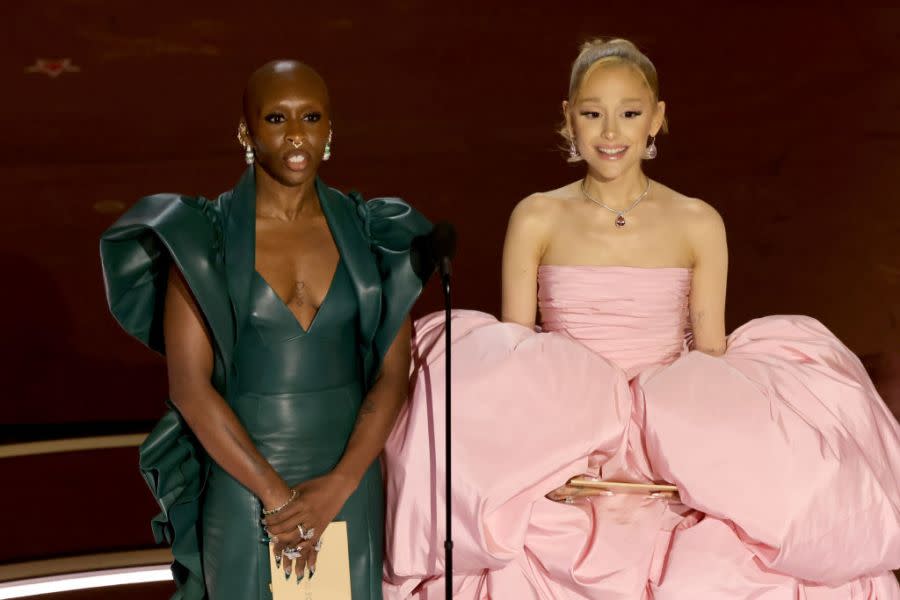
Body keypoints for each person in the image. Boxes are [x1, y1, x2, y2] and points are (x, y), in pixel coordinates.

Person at [383, 39, 900, 598]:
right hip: (565, 421)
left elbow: (710, 356)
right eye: (592, 113)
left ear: (657, 119)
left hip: (671, 419)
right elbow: (514, 354)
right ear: (568, 119)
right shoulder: (537, 215)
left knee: (737, 556)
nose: (611, 132)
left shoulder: (697, 221)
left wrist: (690, 460)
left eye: (630, 113)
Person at [100, 60, 432, 599]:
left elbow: (394, 375)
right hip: (245, 487)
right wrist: (276, 498)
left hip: (345, 482)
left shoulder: (371, 233)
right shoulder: (202, 238)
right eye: (277, 118)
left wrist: (340, 485)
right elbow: (189, 386)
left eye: (312, 117)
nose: (297, 135)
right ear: (246, 131)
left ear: (330, 130)